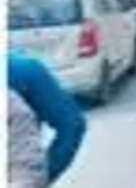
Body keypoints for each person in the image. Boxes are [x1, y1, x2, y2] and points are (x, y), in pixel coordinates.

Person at [7, 53, 87, 187]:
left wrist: (42, 175)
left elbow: (71, 125)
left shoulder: (20, 70)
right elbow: (72, 124)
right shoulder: (22, 69)